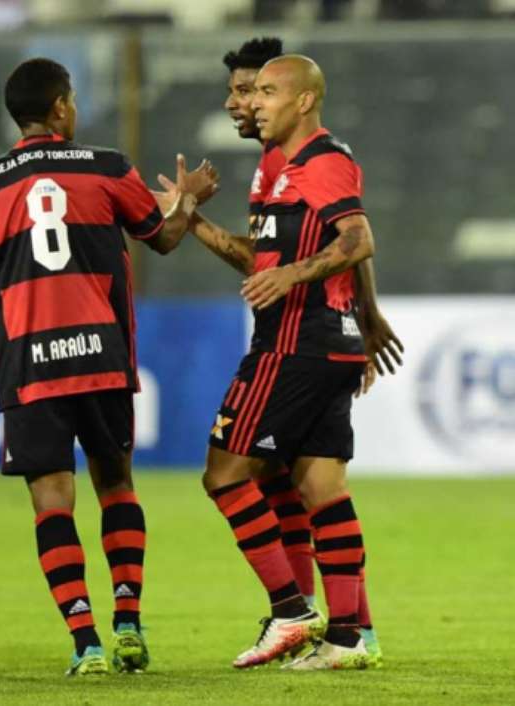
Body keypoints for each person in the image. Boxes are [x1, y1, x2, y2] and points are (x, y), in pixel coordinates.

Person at [0, 57, 218, 675]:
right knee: (116, 485)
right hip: (102, 356)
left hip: (31, 364)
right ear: (61, 107)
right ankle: (128, 624)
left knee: (53, 504)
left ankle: (85, 642)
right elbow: (165, 238)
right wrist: (190, 201)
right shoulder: (109, 166)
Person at [156, 37, 403, 668]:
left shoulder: (321, 159)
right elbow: (260, 258)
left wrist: (296, 280)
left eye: (265, 92)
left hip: (294, 345)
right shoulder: (277, 166)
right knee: (321, 486)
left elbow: (358, 237)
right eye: (250, 92)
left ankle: (292, 612)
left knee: (225, 475)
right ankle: (349, 638)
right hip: (321, 344)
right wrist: (191, 217)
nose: (252, 104)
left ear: (304, 99)